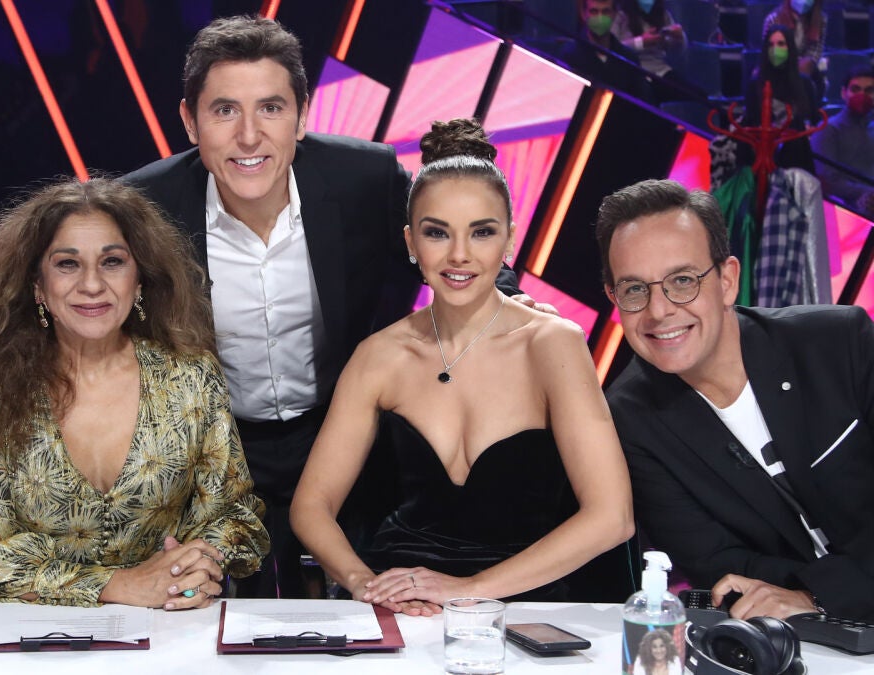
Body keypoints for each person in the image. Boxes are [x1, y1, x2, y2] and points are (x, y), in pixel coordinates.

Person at [125, 14, 541, 599]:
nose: (249, 136)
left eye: (271, 108)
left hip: (343, 428)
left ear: (302, 115)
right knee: (222, 616)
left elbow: (447, 248)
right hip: (213, 446)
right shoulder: (144, 205)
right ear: (190, 121)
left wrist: (515, 302)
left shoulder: (364, 178)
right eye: (225, 111)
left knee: (373, 606)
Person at [289, 118, 634, 616]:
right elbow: (310, 506)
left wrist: (467, 588)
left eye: (482, 232)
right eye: (437, 233)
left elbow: (612, 517)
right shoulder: (379, 356)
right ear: (411, 243)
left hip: (522, 602)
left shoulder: (553, 343)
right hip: (403, 599)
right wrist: (365, 584)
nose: (459, 255)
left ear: (509, 240)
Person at [0, 178, 268, 608]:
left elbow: (234, 517)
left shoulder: (191, 378)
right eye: (68, 264)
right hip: (31, 635)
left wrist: (197, 565)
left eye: (112, 262)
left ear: (138, 279)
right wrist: (119, 585)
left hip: (169, 623)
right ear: (37, 284)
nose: (91, 284)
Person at [598, 178, 874, 622]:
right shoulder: (630, 418)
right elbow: (717, 563)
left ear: (727, 281)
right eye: (634, 289)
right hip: (800, 638)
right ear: (614, 298)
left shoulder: (839, 341)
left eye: (682, 281)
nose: (659, 311)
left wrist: (821, 595)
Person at [740, 24, 820, 173]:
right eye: (771, 45)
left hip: (798, 161)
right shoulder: (755, 85)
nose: (775, 49)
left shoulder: (805, 84)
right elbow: (751, 123)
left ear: (790, 48)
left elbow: (814, 121)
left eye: (781, 44)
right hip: (762, 159)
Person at [559, 0, 653, 103]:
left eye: (606, 12)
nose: (600, 18)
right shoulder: (570, 55)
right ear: (584, 14)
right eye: (594, 11)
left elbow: (642, 101)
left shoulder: (629, 58)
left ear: (614, 14)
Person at [810, 67, 874, 219]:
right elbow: (827, 181)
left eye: (869, 90)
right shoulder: (828, 129)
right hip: (844, 210)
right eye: (855, 89)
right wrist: (867, 192)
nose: (862, 95)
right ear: (843, 93)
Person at [611, 0, 695, 102]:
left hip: (661, 71)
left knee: (697, 96)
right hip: (635, 71)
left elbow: (677, 53)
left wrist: (679, 38)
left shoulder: (663, 15)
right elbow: (613, 47)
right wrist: (641, 42)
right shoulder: (621, 15)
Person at [763, 0, 825, 96]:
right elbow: (768, 52)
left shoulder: (821, 21)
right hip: (779, 65)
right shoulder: (773, 20)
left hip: (805, 69)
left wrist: (800, 69)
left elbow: (814, 54)